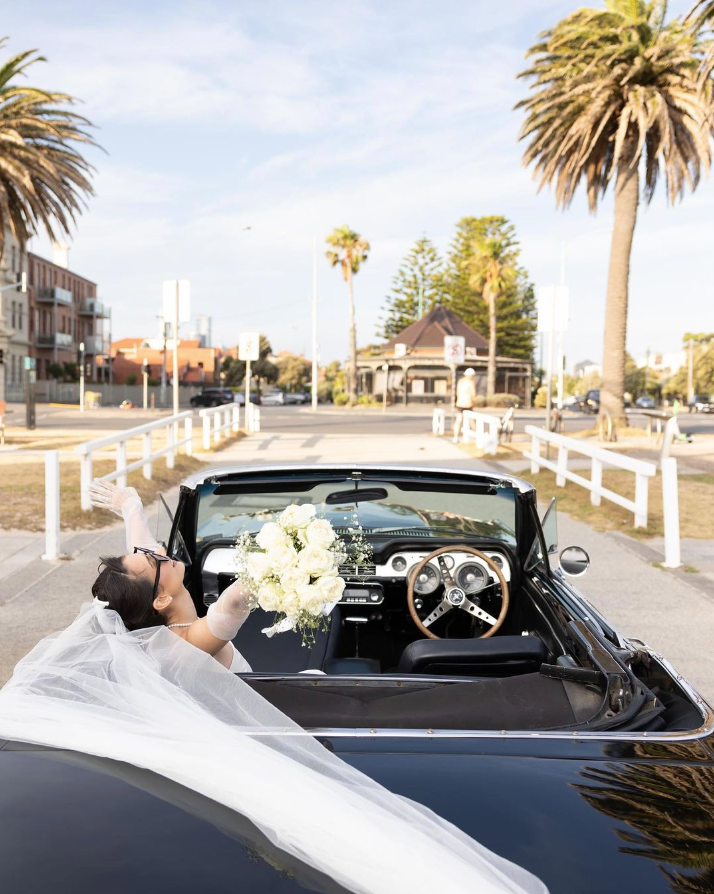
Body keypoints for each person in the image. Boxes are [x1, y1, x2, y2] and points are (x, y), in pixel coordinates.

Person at [88, 478, 253, 672]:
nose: (160, 550)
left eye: (147, 553)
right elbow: (234, 603)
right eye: (153, 560)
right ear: (162, 599)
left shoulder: (153, 632)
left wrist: (131, 507)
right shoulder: (188, 645)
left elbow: (144, 552)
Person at [452, 367, 478, 443]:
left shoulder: (460, 381)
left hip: (460, 404)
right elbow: (473, 394)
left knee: (458, 421)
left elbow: (457, 393)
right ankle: (476, 437)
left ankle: (455, 437)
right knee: (472, 421)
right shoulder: (471, 382)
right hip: (468, 404)